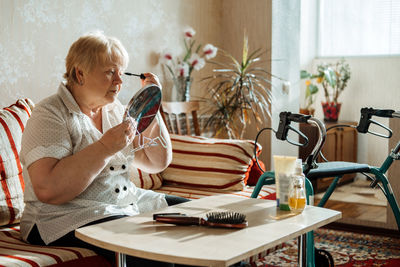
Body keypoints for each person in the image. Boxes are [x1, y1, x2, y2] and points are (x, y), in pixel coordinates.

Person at [20, 31, 189, 266]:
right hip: (62, 216)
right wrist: (105, 147)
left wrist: (151, 102)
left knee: (199, 218)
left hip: (124, 203)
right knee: (155, 253)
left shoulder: (115, 110)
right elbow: (49, 190)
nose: (119, 81)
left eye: (121, 72)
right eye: (110, 72)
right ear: (80, 73)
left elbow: (157, 162)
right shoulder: (49, 114)